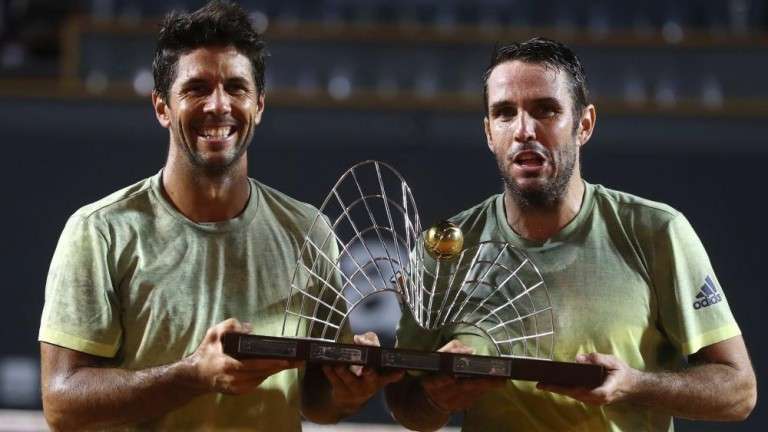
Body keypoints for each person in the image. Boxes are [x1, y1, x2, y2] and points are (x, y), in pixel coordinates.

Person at [38, 1, 401, 430]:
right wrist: (191, 375)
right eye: (196, 88)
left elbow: (316, 401)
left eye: (235, 87)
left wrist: (346, 391)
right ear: (161, 108)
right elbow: (62, 403)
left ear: (259, 105)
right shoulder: (99, 232)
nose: (218, 105)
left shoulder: (308, 229)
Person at [385, 37, 757, 431]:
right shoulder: (444, 249)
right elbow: (405, 406)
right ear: (489, 133)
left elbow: (738, 391)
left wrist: (634, 385)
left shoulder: (656, 231)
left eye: (545, 110)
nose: (524, 130)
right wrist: (433, 397)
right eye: (505, 113)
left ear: (584, 125)